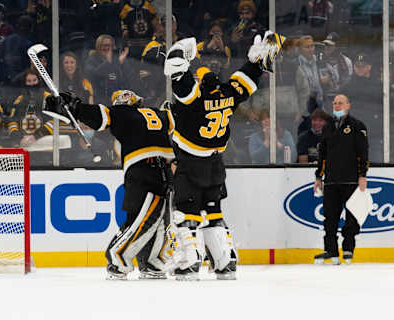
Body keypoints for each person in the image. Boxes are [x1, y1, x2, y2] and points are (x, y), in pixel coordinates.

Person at [163, 31, 284, 280]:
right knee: (213, 212)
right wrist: (256, 62)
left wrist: (180, 54)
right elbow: (246, 80)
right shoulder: (228, 95)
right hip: (216, 164)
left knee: (186, 213)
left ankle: (189, 262)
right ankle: (225, 261)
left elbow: (176, 72)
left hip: (191, 162)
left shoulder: (194, 99)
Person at [44, 89, 175, 280]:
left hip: (141, 171)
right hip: (160, 169)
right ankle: (119, 259)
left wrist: (75, 107)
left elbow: (97, 116)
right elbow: (179, 120)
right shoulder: (158, 113)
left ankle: (150, 261)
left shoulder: (119, 113)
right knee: (152, 219)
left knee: (150, 219)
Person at [313, 94, 369, 265]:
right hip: (331, 181)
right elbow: (322, 154)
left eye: (340, 103)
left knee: (352, 217)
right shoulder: (327, 126)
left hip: (351, 180)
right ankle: (330, 249)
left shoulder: (357, 126)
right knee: (330, 217)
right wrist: (319, 177)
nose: (337, 106)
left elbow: (363, 153)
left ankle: (348, 248)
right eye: (335, 103)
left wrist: (362, 175)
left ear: (348, 105)